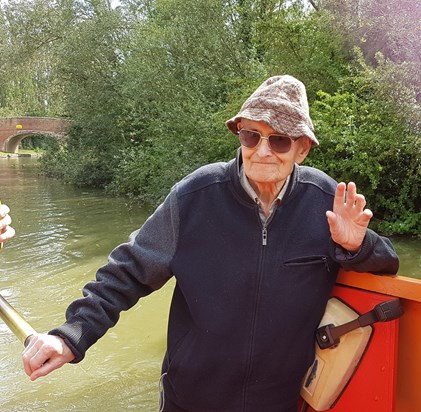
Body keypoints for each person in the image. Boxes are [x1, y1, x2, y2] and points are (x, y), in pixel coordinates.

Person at [21, 75, 399, 412]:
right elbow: (129, 270)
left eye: (280, 140)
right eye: (252, 135)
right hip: (190, 399)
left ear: (302, 149)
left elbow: (388, 269)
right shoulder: (195, 196)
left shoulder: (325, 201)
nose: (262, 151)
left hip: (278, 401)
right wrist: (72, 336)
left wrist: (358, 246)